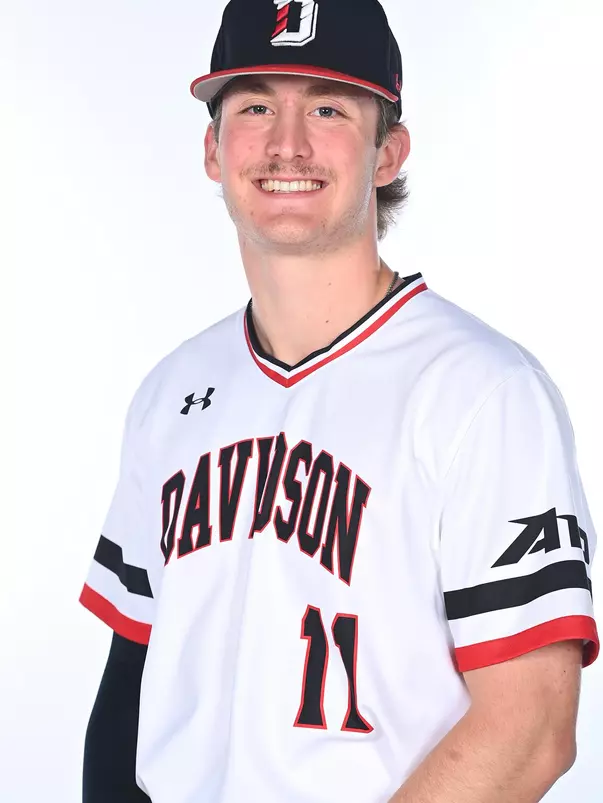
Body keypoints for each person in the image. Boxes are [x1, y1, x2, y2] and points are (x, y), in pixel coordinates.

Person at [80, 1, 599, 801]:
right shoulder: (172, 392)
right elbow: (130, 684)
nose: (286, 143)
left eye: (327, 108)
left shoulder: (483, 392)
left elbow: (529, 729)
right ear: (213, 149)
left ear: (388, 152)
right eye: (255, 106)